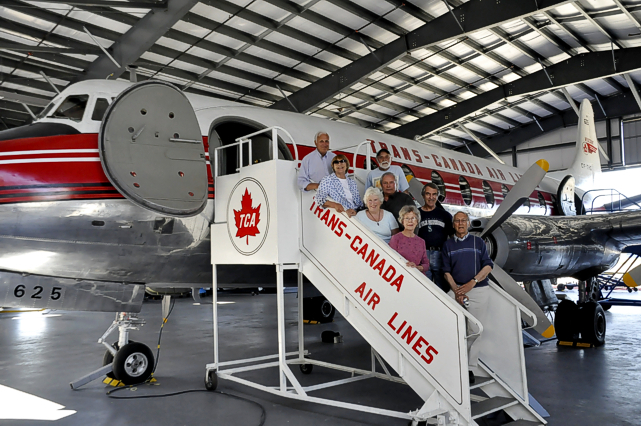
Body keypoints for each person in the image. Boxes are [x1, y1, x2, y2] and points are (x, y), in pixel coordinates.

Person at [442, 211, 493, 384]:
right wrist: (456, 290)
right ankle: (453, 365)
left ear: (469, 224)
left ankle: (470, 368)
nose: (461, 223)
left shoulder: (478, 242)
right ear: (453, 224)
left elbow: (488, 266)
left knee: (476, 329)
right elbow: (446, 271)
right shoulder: (448, 245)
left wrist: (473, 282)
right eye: (457, 221)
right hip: (456, 290)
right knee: (451, 328)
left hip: (478, 290)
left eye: (464, 220)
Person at [418, 183, 454, 293]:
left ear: (437, 196)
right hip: (423, 255)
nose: (431, 197)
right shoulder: (416, 214)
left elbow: (453, 236)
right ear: (423, 195)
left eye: (434, 194)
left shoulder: (445, 215)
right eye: (428, 194)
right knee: (424, 289)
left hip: (440, 255)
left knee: (442, 289)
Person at [390, 205, 429, 274]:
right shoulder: (395, 239)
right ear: (402, 221)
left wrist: (416, 267)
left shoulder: (421, 241)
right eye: (407, 218)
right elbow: (390, 260)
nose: (410, 221)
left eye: (413, 218)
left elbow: (426, 264)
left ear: (417, 221)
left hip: (416, 276)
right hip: (399, 276)